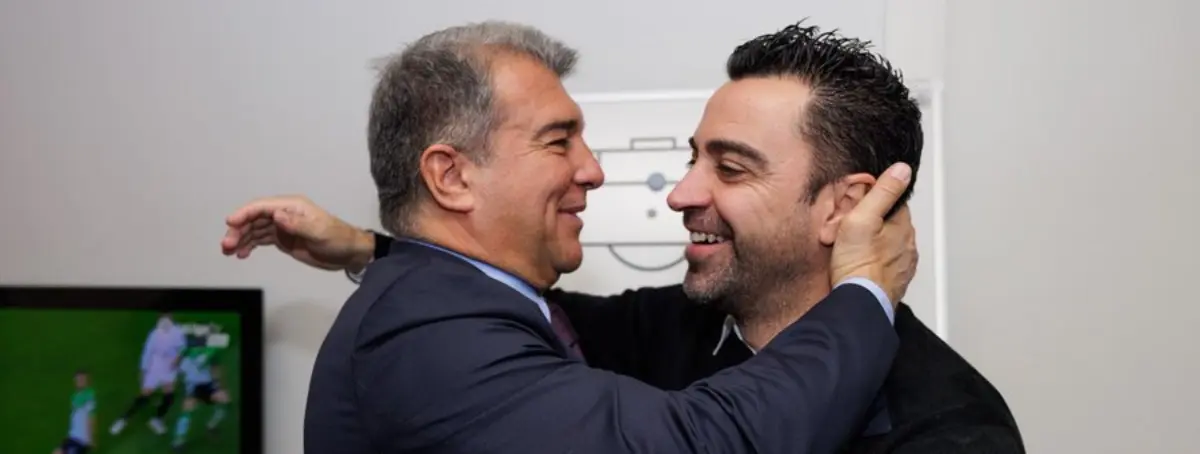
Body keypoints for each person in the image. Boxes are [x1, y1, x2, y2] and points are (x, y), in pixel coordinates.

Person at [221, 22, 1022, 453]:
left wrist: (373, 250)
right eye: (692, 158)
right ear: (450, 176)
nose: (681, 193)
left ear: (845, 208)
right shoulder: (673, 331)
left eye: (729, 168)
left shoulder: (952, 429)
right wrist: (865, 293)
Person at [110, 311, 186, 436]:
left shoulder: (178, 331)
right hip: (155, 366)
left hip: (169, 367)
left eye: (168, 317)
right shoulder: (154, 334)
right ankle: (123, 420)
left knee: (169, 394)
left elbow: (182, 347)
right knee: (145, 395)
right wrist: (143, 370)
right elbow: (147, 352)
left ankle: (157, 420)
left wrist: (178, 359)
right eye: (164, 318)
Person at [172, 328, 232, 450]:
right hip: (193, 385)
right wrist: (180, 370)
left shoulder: (211, 351)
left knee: (225, 401)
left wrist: (218, 386)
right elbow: (175, 364)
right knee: (188, 408)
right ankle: (178, 441)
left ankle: (211, 425)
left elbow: (215, 369)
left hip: (208, 384)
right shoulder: (186, 350)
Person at [54, 370, 96, 454]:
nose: (80, 382)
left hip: (81, 439)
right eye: (78, 379)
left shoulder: (89, 395)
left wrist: (91, 438)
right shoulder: (74, 396)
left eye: (82, 379)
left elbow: (91, 416)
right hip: (72, 436)